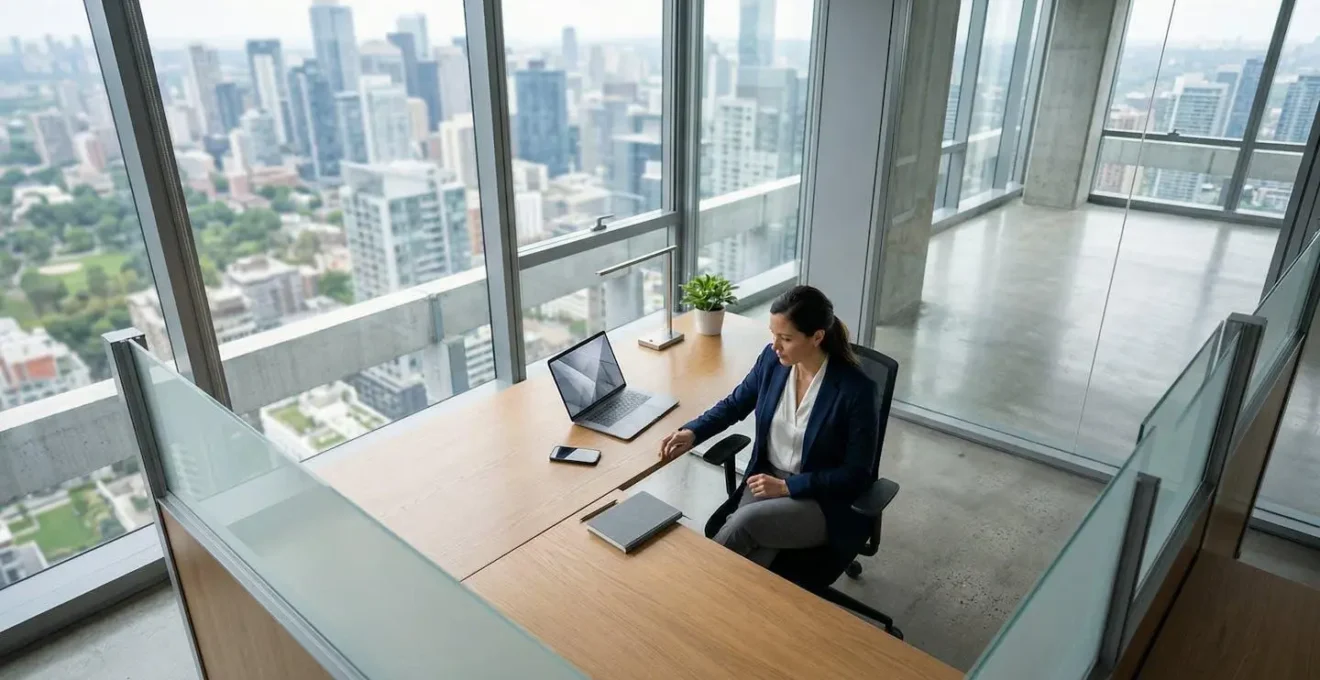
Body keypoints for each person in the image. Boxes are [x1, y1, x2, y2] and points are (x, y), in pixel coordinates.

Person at [659, 285, 878, 567]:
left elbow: (857, 475)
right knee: (754, 561)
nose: (775, 346)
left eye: (785, 338)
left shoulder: (856, 391)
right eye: (773, 335)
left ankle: (694, 587)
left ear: (817, 337)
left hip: (821, 499)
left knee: (742, 525)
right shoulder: (773, 362)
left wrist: (788, 487)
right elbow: (735, 404)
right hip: (766, 479)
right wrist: (694, 431)